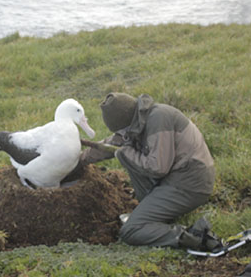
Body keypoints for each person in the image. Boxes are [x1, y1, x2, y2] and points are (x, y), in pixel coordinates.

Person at [81, 92, 221, 251]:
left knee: (131, 230)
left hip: (191, 181)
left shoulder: (159, 118)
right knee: (126, 154)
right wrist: (76, 161)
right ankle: (153, 214)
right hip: (174, 180)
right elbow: (111, 144)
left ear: (129, 122)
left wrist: (124, 153)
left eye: (122, 132)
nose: (121, 137)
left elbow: (158, 167)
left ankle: (192, 237)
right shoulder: (136, 121)